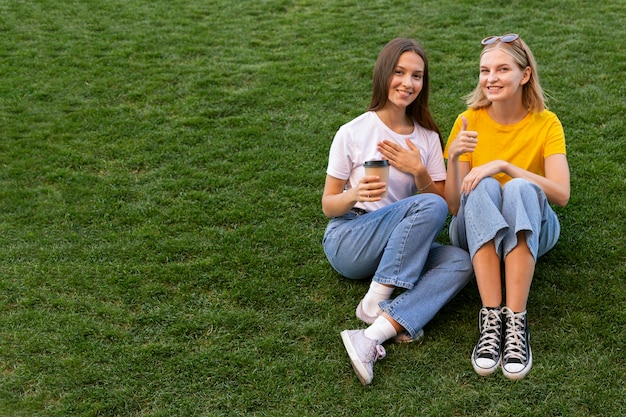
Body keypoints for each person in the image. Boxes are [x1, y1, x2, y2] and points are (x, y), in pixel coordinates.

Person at [321, 38, 473, 385]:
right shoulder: (353, 132)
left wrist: (418, 170)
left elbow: (447, 207)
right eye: (400, 72)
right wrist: (354, 194)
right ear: (383, 74)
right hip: (351, 237)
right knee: (428, 203)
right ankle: (374, 301)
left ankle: (380, 327)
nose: (408, 83)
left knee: (461, 262)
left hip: (401, 248)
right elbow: (328, 205)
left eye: (417, 76)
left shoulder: (428, 139)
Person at [444, 34, 570, 380]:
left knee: (517, 187)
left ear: (525, 75)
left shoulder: (546, 122)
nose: (491, 78)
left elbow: (560, 194)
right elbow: (455, 206)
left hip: (531, 227)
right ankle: (491, 319)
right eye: (485, 70)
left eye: (502, 69)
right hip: (474, 228)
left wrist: (507, 166)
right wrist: (454, 157)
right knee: (483, 185)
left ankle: (516, 322)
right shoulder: (468, 120)